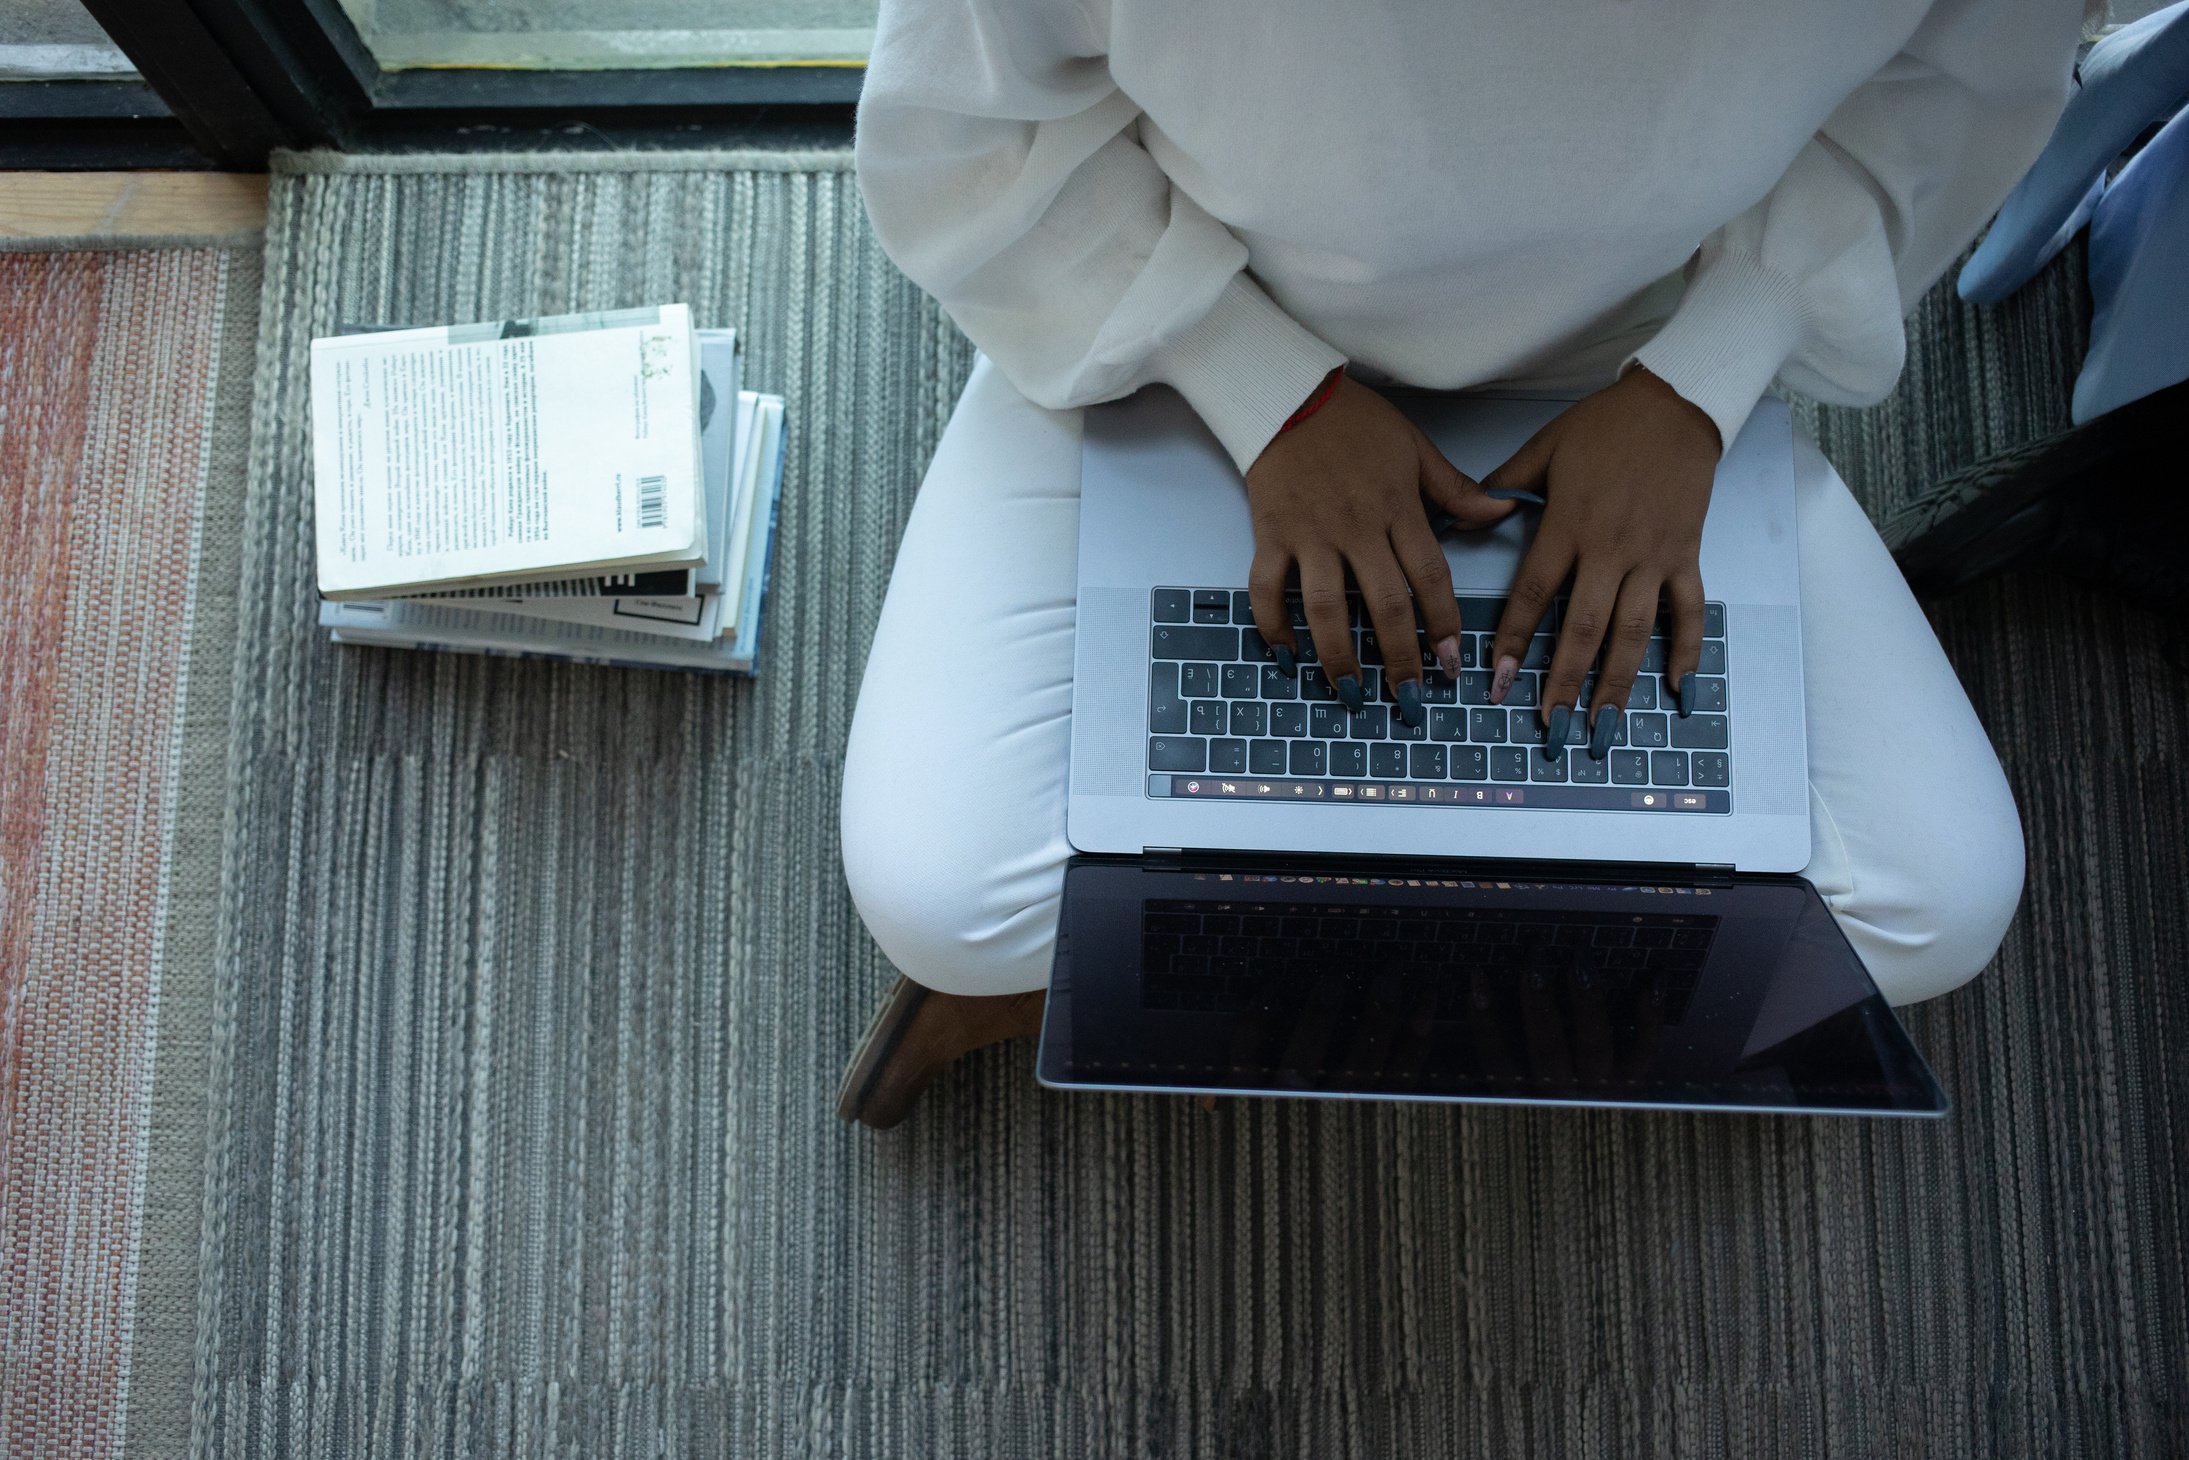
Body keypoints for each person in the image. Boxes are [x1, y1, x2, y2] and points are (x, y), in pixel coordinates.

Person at [834, 0, 2085, 1127]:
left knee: (1935, 906)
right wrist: (1257, 385)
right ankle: (1503, 971)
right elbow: (965, 131)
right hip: (1191, 322)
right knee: (941, 898)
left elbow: (1959, 79)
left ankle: (1187, 966)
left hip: (1640, 359)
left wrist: (1697, 383)